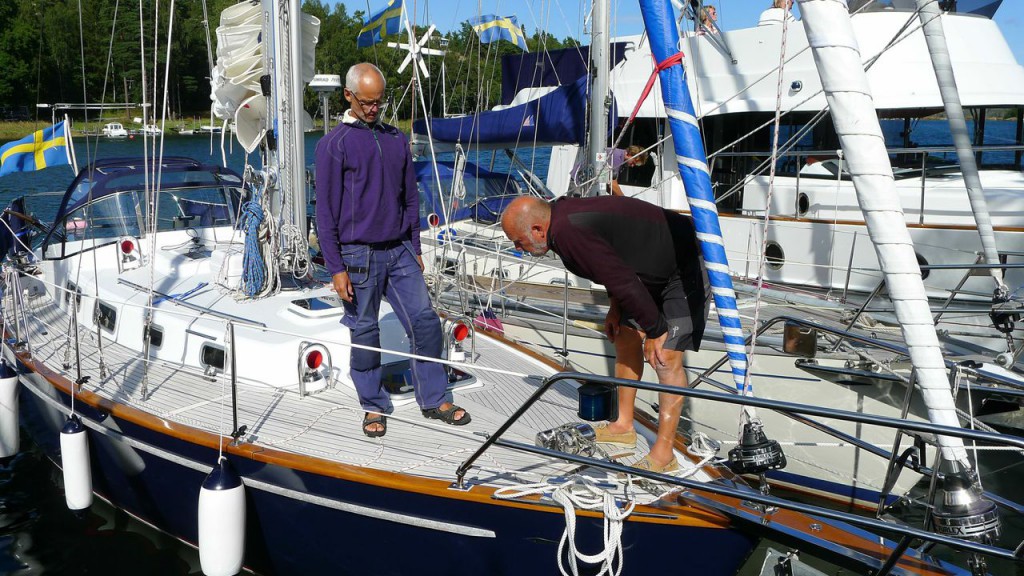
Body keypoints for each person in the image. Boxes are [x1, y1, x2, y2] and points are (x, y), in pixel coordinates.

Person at [315, 63, 471, 438]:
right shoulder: (332, 146)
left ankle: (433, 397)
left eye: (379, 102)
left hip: (400, 250)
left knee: (425, 321)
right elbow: (325, 212)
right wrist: (335, 267)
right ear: (349, 96)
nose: (373, 109)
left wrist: (415, 245)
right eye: (366, 102)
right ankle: (373, 404)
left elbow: (410, 197)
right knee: (366, 332)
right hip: (356, 257)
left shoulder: (395, 139)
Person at [500, 196, 710, 473]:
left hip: (682, 265)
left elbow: (620, 278)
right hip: (647, 269)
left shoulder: (567, 231)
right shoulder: (561, 225)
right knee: (624, 335)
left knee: (665, 356)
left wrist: (656, 331)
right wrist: (615, 309)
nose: (518, 248)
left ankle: (664, 453)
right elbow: (612, 264)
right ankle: (624, 426)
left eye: (518, 241)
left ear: (538, 230)